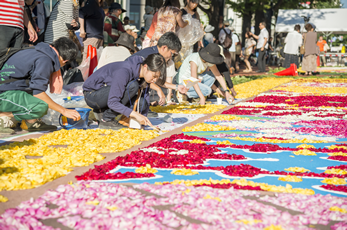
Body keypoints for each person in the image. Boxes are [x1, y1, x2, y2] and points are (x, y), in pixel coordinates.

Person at [0, 37, 80, 133]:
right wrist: (64, 111)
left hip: (10, 90)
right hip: (3, 95)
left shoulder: (38, 51)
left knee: (39, 98)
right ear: (65, 61)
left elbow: (33, 87)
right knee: (40, 107)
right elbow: (38, 94)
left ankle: (30, 122)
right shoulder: (44, 59)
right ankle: (3, 116)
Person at [83, 53, 166, 130]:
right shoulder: (124, 71)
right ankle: (106, 119)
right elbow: (113, 102)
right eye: (154, 76)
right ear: (145, 67)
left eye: (157, 78)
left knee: (142, 103)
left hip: (107, 94)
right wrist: (135, 114)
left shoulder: (143, 75)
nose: (155, 80)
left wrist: (143, 121)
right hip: (92, 95)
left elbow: (145, 97)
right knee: (133, 86)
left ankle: (104, 112)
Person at [130, 32, 188, 104]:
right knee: (144, 103)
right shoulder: (150, 56)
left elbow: (154, 79)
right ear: (164, 48)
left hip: (135, 87)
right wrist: (158, 89)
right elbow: (145, 79)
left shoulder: (154, 52)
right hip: (128, 87)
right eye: (172, 54)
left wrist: (176, 87)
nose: (171, 57)